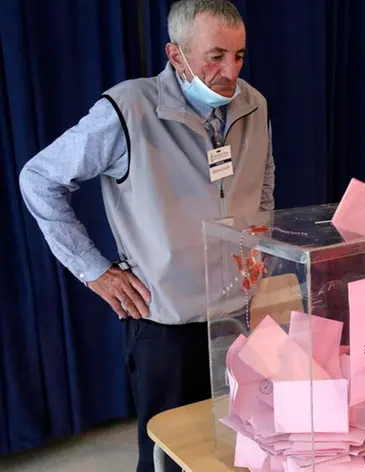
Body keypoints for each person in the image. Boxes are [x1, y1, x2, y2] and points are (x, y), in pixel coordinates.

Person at [18, 0, 274, 470]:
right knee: (168, 455)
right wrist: (95, 271)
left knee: (233, 446)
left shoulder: (254, 104)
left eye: (238, 55)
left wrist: (255, 242)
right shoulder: (128, 109)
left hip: (237, 313)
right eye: (215, 56)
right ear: (175, 54)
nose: (229, 71)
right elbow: (39, 179)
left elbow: (263, 180)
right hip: (165, 325)